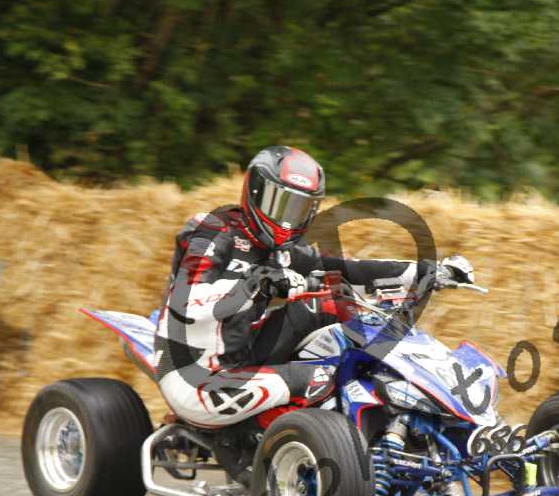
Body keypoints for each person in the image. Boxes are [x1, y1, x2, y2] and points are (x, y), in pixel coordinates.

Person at [154, 145, 432, 428]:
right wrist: (256, 283)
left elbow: (349, 268)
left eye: (298, 209)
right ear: (255, 193)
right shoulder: (212, 230)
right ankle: (267, 442)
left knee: (334, 305)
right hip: (194, 372)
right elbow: (185, 303)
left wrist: (427, 271)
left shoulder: (285, 251)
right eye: (279, 204)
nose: (286, 220)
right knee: (321, 378)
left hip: (243, 351)